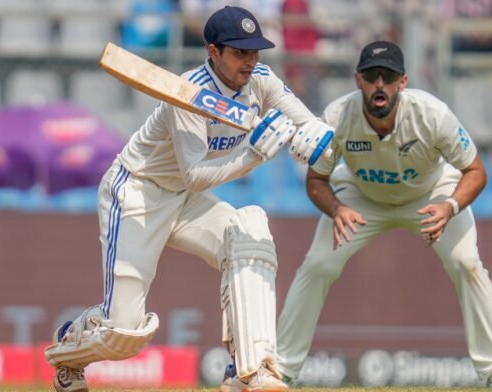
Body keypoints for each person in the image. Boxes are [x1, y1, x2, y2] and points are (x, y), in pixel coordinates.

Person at [43, 6, 333, 392]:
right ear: (213, 51)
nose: (250, 61)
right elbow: (195, 176)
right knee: (124, 334)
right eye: (239, 52)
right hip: (137, 194)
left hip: (182, 199)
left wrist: (317, 141)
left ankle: (252, 371)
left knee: (249, 235)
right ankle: (69, 351)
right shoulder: (190, 92)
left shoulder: (261, 79)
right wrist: (254, 156)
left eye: (254, 52)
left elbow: (306, 123)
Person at [275, 41, 492, 390]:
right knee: (318, 264)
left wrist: (449, 206)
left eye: (387, 76)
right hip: (361, 196)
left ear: (402, 82)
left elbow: (476, 171)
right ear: (357, 79)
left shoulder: (432, 115)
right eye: (372, 76)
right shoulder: (337, 117)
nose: (380, 84)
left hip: (430, 193)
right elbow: (317, 180)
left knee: (466, 263)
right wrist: (336, 209)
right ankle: (281, 371)